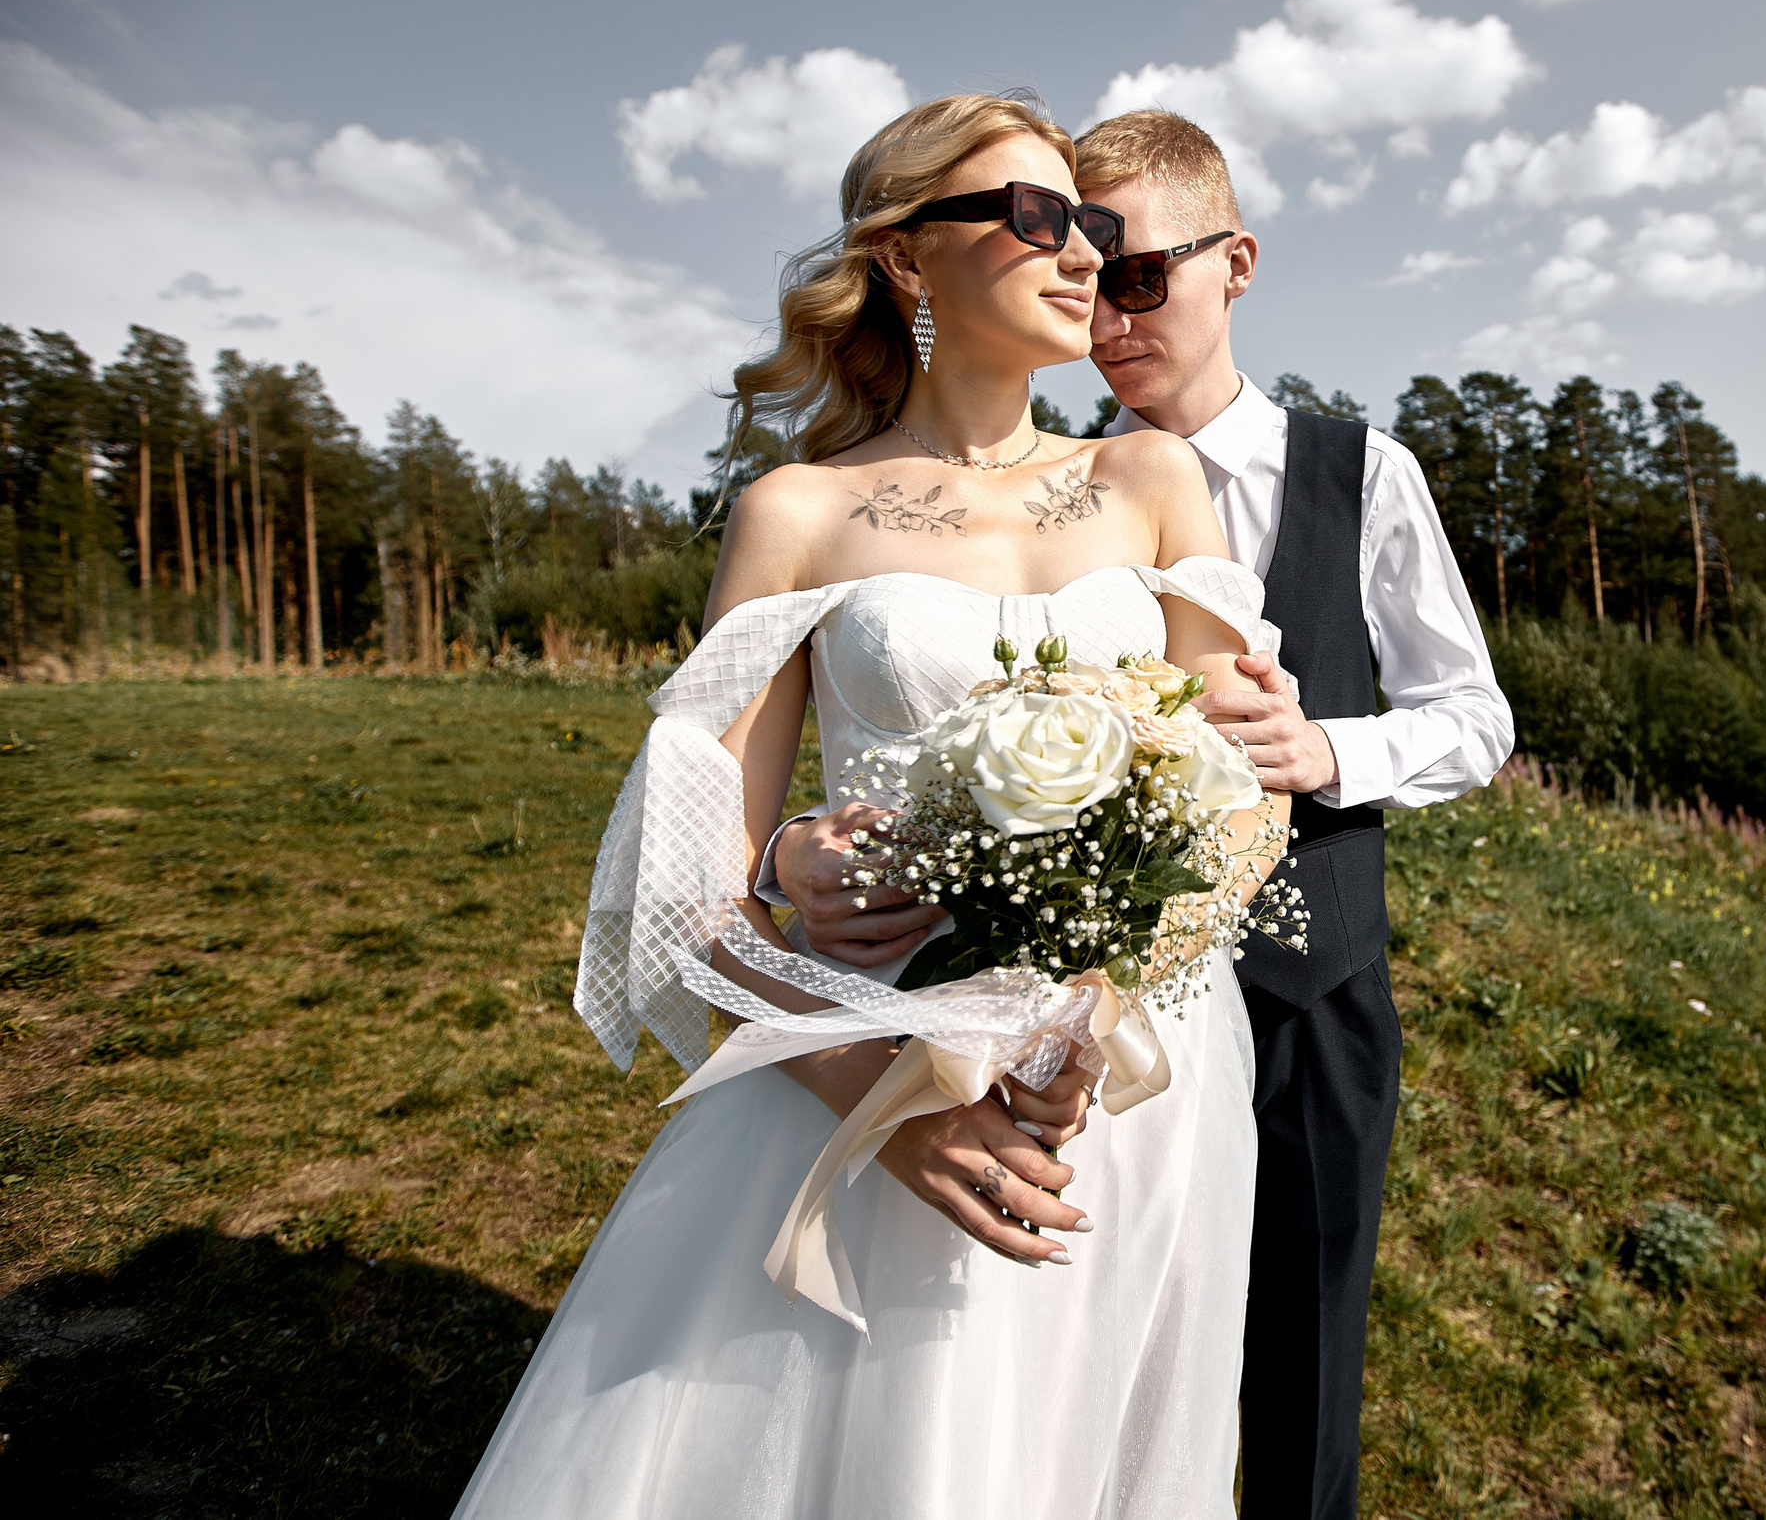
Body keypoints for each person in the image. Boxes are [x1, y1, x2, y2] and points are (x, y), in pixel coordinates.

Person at [454, 92, 1290, 1520]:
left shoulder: (1152, 480)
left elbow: (1237, 807)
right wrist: (886, 1109)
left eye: (1088, 220)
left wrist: (1099, 1009)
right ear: (907, 259)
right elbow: (689, 893)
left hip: (1145, 1078)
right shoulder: (796, 509)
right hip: (881, 1049)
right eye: (1033, 216)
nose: (1082, 250)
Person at [771, 109, 1514, 1520]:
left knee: (1299, 1357)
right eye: (1069, 249)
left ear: (1234, 264)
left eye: (1131, 270)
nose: (1102, 309)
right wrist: (797, 849)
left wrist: (1325, 752)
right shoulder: (1069, 483)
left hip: (1304, 993)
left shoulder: (1366, 476)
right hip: (990, 1015)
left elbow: (1477, 717)